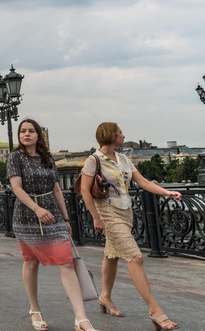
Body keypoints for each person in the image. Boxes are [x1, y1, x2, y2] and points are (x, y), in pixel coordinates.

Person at [80, 123, 180, 330]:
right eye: (120, 133)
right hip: (108, 213)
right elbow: (84, 191)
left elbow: (143, 182)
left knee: (112, 254)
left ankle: (105, 297)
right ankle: (155, 310)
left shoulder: (124, 159)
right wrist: (96, 217)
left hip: (126, 213)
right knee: (135, 257)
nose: (123, 136)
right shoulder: (94, 160)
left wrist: (166, 192)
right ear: (110, 136)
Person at [7, 119, 97, 331]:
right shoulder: (15, 157)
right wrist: (36, 209)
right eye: (22, 131)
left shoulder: (47, 158)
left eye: (31, 131)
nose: (26, 134)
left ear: (39, 135)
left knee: (66, 262)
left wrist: (66, 219)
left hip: (53, 216)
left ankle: (81, 318)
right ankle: (35, 309)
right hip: (27, 218)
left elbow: (57, 189)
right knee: (31, 262)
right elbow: (16, 188)